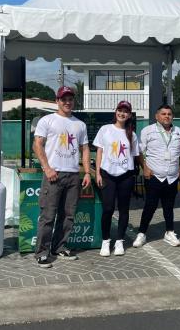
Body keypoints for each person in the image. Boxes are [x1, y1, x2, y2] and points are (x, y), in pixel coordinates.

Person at [32, 86, 91, 268]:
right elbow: (38, 145)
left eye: (70, 99)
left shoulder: (80, 124)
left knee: (68, 216)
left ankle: (59, 247)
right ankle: (42, 253)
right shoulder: (47, 120)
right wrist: (47, 168)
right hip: (53, 174)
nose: (67, 102)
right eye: (63, 99)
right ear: (57, 101)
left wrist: (87, 172)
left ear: (73, 101)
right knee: (48, 216)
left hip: (73, 175)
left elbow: (85, 149)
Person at [133, 104, 180, 248]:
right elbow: (139, 152)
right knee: (150, 206)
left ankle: (169, 232)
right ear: (157, 116)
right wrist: (144, 168)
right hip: (154, 176)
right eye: (163, 114)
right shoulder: (148, 131)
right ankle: (142, 233)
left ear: (172, 116)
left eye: (169, 114)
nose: (166, 116)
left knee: (169, 206)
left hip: (172, 177)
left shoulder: (179, 131)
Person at [94, 100, 140, 257]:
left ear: (129, 115)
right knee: (107, 209)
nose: (122, 113)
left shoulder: (132, 134)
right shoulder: (105, 129)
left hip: (126, 176)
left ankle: (119, 241)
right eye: (120, 110)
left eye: (126, 111)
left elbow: (135, 156)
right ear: (116, 112)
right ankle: (106, 241)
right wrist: (97, 172)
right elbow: (99, 152)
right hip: (107, 174)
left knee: (124, 209)